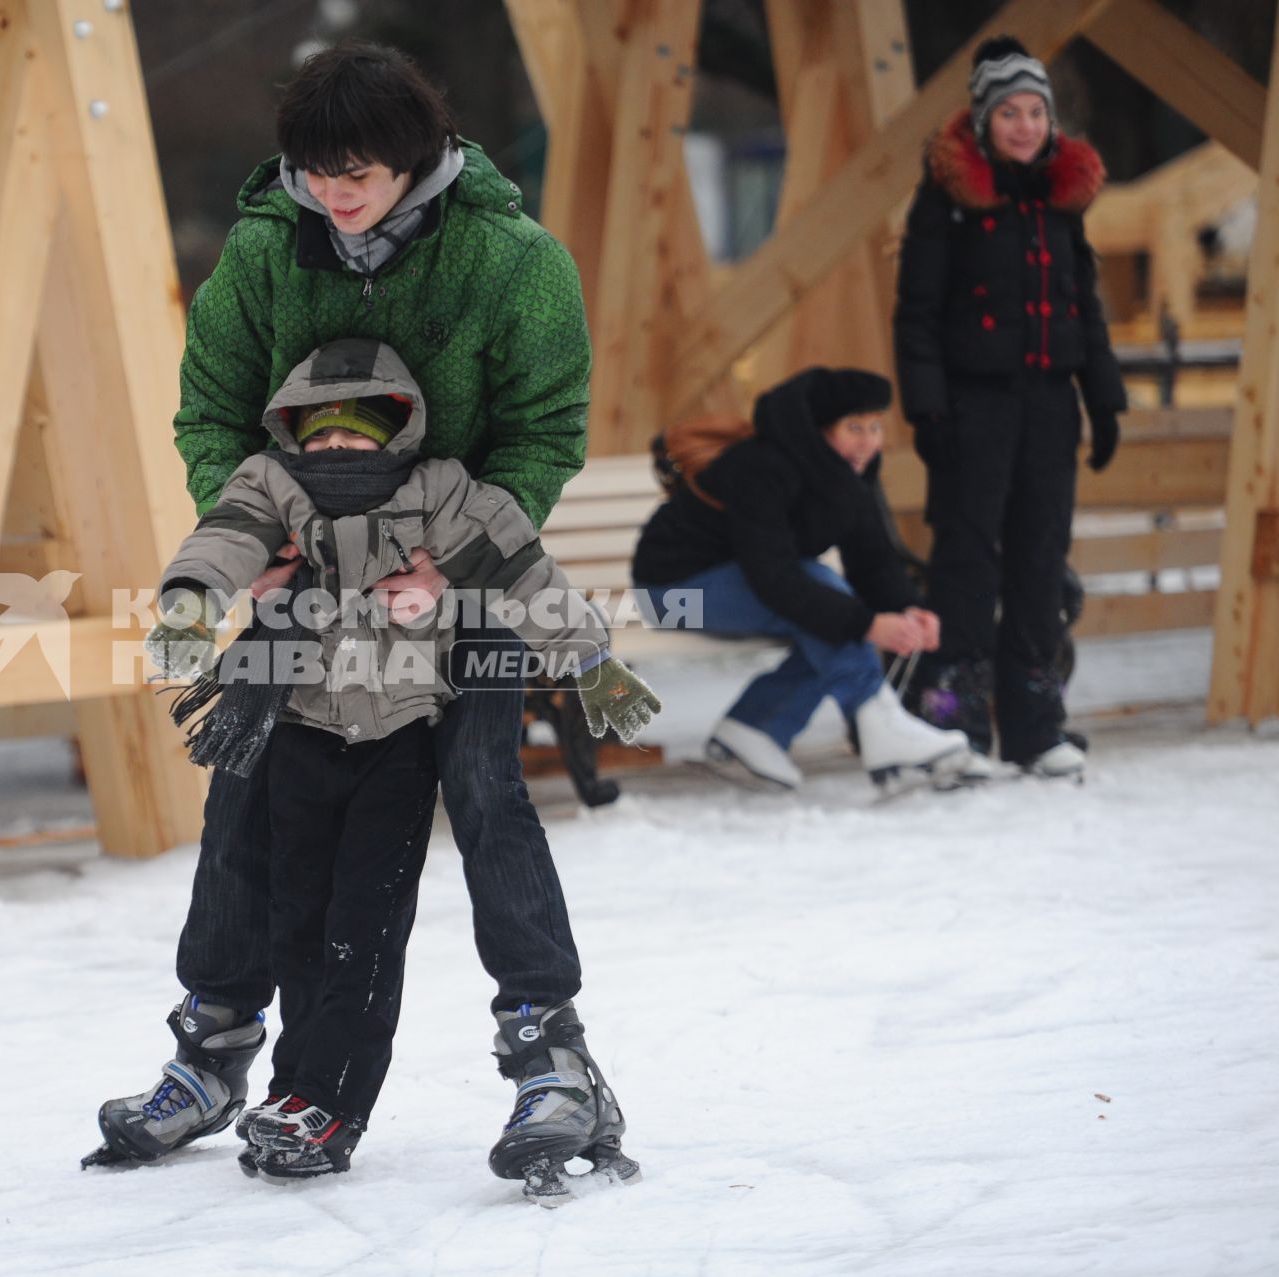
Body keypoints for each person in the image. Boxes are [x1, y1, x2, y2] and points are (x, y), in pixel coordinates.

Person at [89, 42, 633, 1193]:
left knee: (485, 789)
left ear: (416, 161)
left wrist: (454, 558)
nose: (335, 199)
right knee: (241, 796)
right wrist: (260, 538)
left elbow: (546, 427)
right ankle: (214, 1048)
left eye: (360, 178)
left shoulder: (511, 258)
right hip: (306, 571)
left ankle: (554, 1057)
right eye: (315, 174)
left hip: (458, 561)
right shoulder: (264, 247)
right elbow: (213, 412)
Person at [113, 339, 657, 1182]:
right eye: (318, 435)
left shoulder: (441, 490)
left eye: (357, 434)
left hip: (400, 734)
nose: (335, 449)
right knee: (291, 906)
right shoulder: (272, 483)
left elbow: (521, 568)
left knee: (366, 923)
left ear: (400, 429)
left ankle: (359, 1095)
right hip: (298, 720)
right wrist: (190, 604)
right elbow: (223, 537)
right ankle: (260, 1076)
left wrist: (590, 658)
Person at [893, 35, 1127, 779]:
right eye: (1011, 113)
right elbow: (917, 313)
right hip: (973, 407)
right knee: (966, 562)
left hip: (1049, 408)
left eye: (1036, 112)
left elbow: (1083, 306)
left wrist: (1105, 398)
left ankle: (1034, 725)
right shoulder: (949, 201)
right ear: (985, 119)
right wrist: (927, 411)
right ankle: (955, 727)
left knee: (1039, 556)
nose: (1025, 126)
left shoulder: (1061, 203)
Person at [632, 368, 973, 791]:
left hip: (741, 584)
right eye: (854, 428)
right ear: (819, 431)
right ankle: (877, 721)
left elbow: (873, 559)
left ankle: (753, 729)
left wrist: (906, 609)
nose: (868, 441)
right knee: (823, 594)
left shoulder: (848, 473)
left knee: (828, 609)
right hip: (670, 594)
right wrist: (868, 624)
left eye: (875, 427)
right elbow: (774, 576)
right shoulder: (761, 467)